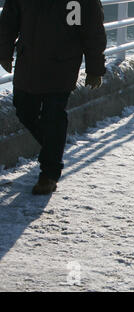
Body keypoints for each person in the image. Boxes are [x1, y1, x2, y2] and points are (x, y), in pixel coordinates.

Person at [0, 0, 107, 195]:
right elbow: (8, 20)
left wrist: (95, 68)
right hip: (28, 61)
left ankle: (49, 174)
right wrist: (4, 52)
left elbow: (92, 29)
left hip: (63, 63)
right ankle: (53, 148)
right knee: (23, 109)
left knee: (54, 114)